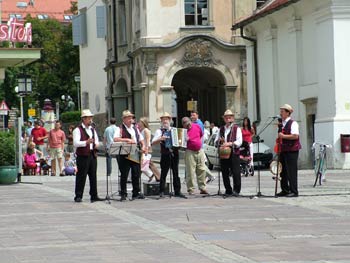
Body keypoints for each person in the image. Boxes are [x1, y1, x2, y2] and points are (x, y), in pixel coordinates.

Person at [152, 112, 186, 198]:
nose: (165, 121)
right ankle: (161, 191)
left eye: (166, 119)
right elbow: (153, 142)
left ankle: (177, 191)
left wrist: (182, 142)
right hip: (165, 154)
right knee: (164, 173)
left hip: (174, 154)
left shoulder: (174, 130)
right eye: (163, 119)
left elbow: (180, 141)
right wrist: (161, 138)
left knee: (176, 173)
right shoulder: (159, 131)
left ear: (170, 120)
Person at [114, 110, 145, 201]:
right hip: (124, 153)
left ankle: (136, 192)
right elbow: (115, 139)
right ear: (124, 119)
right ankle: (123, 193)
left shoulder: (135, 128)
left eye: (131, 117)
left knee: (136, 173)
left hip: (134, 152)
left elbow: (141, 139)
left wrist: (143, 146)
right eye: (128, 118)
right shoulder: (119, 129)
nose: (130, 119)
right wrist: (127, 140)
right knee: (124, 174)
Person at [73, 109, 103, 203]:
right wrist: (86, 142)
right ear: (84, 119)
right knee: (81, 176)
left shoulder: (92, 129)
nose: (91, 120)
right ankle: (78, 195)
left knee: (93, 176)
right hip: (82, 155)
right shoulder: (77, 130)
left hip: (92, 154)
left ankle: (94, 195)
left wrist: (97, 145)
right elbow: (76, 143)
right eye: (89, 118)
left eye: (91, 118)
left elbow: (96, 140)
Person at [215, 109, 242, 196]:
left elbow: (239, 141)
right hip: (224, 153)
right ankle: (228, 189)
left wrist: (230, 143)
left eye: (229, 118)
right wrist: (219, 141)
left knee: (236, 172)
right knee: (224, 172)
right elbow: (216, 141)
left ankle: (236, 190)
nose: (228, 120)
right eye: (226, 118)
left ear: (232, 119)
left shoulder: (236, 129)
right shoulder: (221, 129)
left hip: (234, 153)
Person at [276, 104, 301, 198]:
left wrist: (283, 136)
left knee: (291, 171)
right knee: (283, 171)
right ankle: (285, 189)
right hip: (283, 149)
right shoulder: (282, 123)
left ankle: (294, 191)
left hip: (292, 150)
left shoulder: (293, 123)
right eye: (281, 111)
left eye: (282, 111)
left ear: (287, 112)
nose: (280, 113)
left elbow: (295, 136)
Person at [182, 116, 208, 195]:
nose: (189, 126)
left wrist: (198, 144)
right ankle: (191, 189)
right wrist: (185, 140)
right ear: (183, 125)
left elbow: (201, 135)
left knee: (202, 169)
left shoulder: (197, 126)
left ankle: (202, 188)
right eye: (186, 125)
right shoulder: (184, 131)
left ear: (190, 122)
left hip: (199, 150)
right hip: (190, 151)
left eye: (189, 124)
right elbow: (181, 143)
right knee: (190, 171)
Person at [138, 117, 160, 182]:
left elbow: (148, 140)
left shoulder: (146, 130)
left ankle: (152, 175)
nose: (139, 123)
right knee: (148, 164)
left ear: (143, 123)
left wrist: (147, 149)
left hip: (146, 149)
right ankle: (157, 177)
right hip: (143, 149)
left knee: (144, 165)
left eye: (140, 122)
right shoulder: (142, 130)